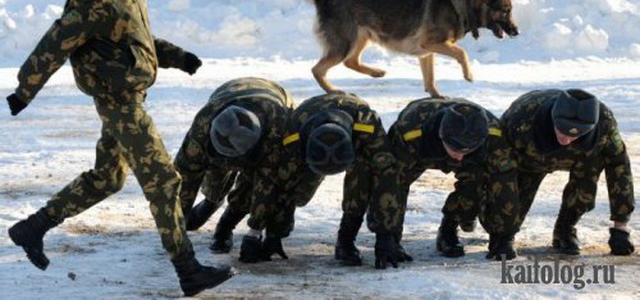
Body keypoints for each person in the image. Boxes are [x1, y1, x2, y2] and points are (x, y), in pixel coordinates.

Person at [6, 0, 233, 296]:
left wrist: (178, 57)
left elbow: (136, 40)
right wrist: (24, 89)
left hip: (126, 96)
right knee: (164, 179)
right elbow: (56, 41)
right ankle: (187, 268)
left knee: (108, 177)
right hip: (120, 103)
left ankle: (33, 227)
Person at [237, 92, 404, 269]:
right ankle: (278, 232)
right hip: (309, 122)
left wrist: (386, 235)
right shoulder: (292, 136)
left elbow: (387, 177)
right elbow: (275, 184)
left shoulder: (366, 126)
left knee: (361, 180)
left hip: (356, 135)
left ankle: (345, 242)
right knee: (294, 188)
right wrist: (260, 232)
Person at [500, 88, 635, 256]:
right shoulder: (522, 118)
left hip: (581, 159)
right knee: (505, 212)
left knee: (593, 165)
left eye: (576, 135)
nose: (566, 140)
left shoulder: (604, 124)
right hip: (529, 160)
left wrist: (621, 227)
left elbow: (619, 167)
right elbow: (498, 166)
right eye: (562, 130)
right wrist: (502, 233)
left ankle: (565, 229)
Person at [173, 77, 295, 256]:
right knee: (216, 172)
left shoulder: (277, 128)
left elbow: (266, 184)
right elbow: (185, 176)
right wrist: (176, 225)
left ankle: (225, 226)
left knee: (252, 185)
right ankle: (211, 201)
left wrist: (254, 232)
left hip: (274, 101)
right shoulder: (203, 126)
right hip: (229, 92)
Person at [388, 98, 519, 260]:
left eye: (466, 150)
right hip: (422, 147)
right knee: (395, 181)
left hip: (471, 156)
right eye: (455, 148)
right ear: (442, 135)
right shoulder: (410, 130)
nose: (459, 157)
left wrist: (504, 237)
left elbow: (505, 183)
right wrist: (386, 238)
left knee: (476, 180)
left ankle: (448, 228)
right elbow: (390, 184)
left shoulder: (493, 135)